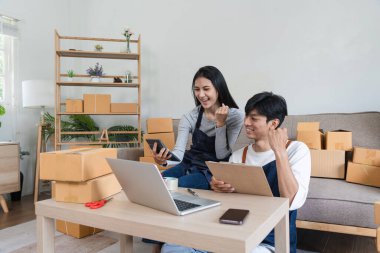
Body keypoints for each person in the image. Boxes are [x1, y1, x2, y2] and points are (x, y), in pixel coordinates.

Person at [160, 92, 311, 253]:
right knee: (172, 247)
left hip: (268, 242)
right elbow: (227, 202)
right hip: (232, 234)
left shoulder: (297, 150)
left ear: (273, 124)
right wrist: (219, 187)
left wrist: (280, 152)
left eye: (253, 118)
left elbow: (291, 201)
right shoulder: (240, 155)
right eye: (246, 116)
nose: (245, 122)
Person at [152, 65, 244, 190]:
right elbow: (179, 152)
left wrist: (220, 124)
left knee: (178, 185)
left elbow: (222, 155)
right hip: (189, 163)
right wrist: (164, 160)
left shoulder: (235, 117)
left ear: (218, 89)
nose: (200, 95)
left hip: (212, 171)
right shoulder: (190, 117)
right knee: (157, 181)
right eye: (196, 89)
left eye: (206, 89)